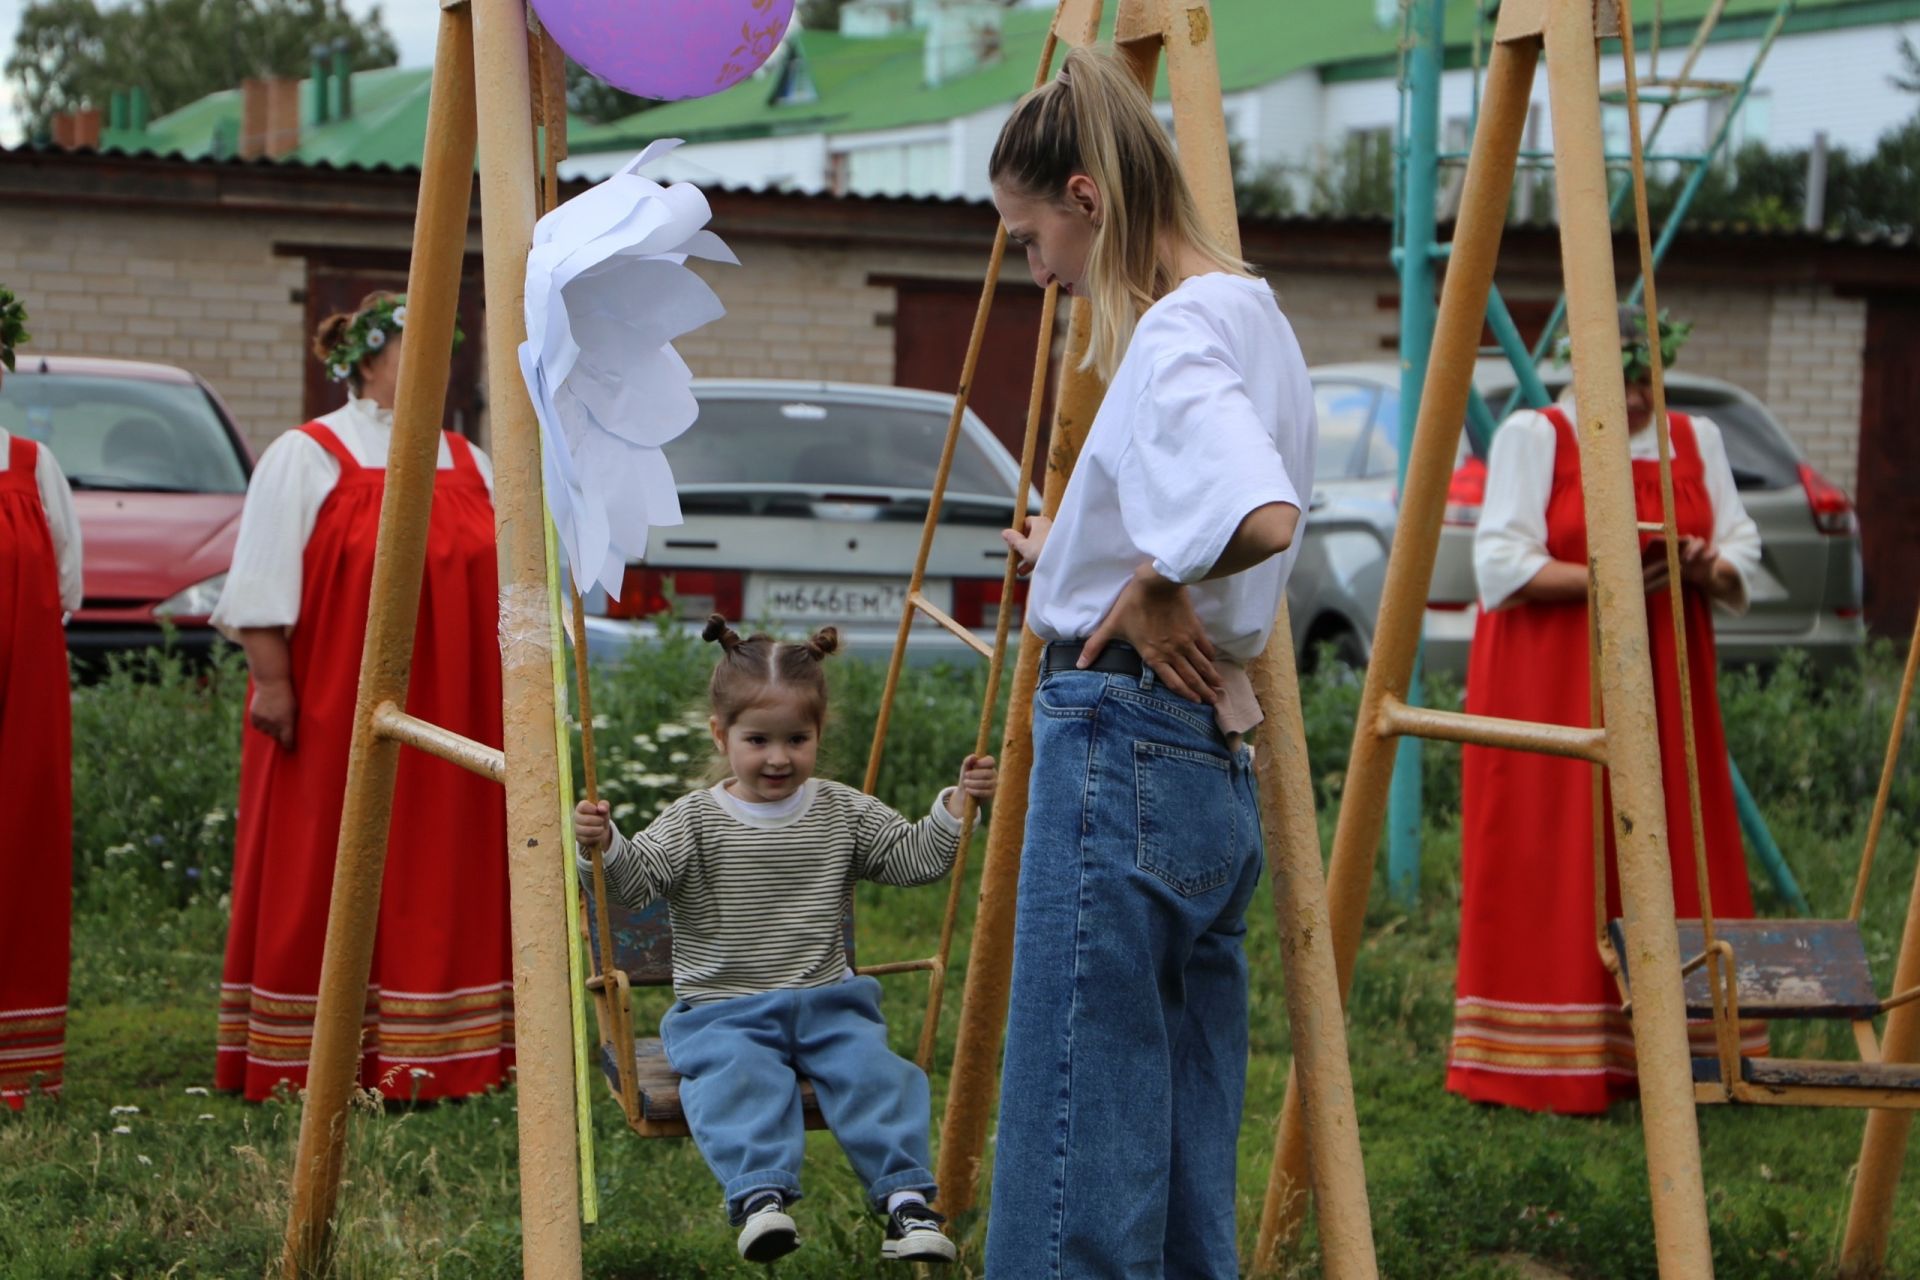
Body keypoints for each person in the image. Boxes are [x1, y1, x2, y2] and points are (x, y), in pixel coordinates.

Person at [983, 46, 1315, 1279]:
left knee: (1077, 1125)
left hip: (1122, 740)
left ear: (1085, 197)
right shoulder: (1251, 311)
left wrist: (1161, 578)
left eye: (1028, 237)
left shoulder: (1174, 335)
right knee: (1170, 1136)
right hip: (1200, 759)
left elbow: (1259, 513)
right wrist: (1082, 550)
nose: (1037, 268)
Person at [572, 617, 997, 1266]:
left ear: (818, 736)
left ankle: (907, 1200)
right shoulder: (694, 820)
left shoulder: (840, 810)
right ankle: (759, 1198)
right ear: (722, 735)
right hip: (724, 1011)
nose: (778, 757)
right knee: (738, 1079)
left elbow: (911, 860)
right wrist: (602, 848)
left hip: (828, 1003)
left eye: (797, 739)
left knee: (879, 1074)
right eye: (758, 740)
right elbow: (637, 883)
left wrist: (953, 808)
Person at [1447, 307, 1769, 1114]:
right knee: (1557, 847)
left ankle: (1671, 1050)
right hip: (1550, 677)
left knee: (1665, 833)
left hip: (1668, 679)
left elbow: (1743, 553)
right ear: (1574, 368)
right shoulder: (1537, 435)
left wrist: (1703, 565)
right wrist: (1611, 574)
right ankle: (1537, 1053)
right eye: (1617, 380)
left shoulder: (1695, 441)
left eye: (1643, 379)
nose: (1631, 398)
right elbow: (1499, 564)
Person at [213, 291, 514, 1103]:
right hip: (335, 707)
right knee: (333, 865)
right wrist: (274, 684)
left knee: (442, 866)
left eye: (443, 352)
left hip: (456, 710)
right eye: (414, 351)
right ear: (366, 361)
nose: (436, 369)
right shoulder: (307, 455)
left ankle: (446, 1052)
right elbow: (261, 587)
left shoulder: (471, 460)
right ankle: (315, 1059)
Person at [0, 288, 85, 1108]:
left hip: (17, 703)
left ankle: (15, 1056)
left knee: (14, 844)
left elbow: (65, 589)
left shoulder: (31, 466)